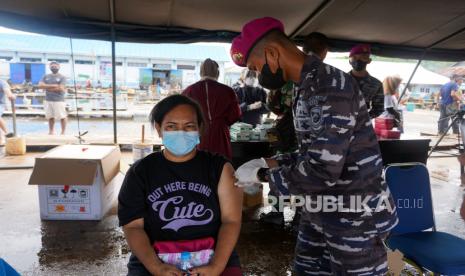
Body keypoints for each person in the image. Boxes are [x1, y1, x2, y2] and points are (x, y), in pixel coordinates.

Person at [231, 17, 398, 275]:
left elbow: (322, 170)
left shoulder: (330, 86)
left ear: (272, 53)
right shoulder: (303, 85)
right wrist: (268, 162)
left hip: (355, 218)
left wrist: (263, 176)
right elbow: (311, 152)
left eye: (255, 67)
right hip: (321, 209)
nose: (257, 74)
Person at [118, 95, 243, 276]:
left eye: (189, 126)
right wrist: (156, 267)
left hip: (213, 253)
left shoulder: (221, 168)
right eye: (171, 126)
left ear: (200, 129)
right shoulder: (140, 172)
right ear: (159, 129)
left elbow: (231, 221)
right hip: (154, 255)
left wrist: (216, 265)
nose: (181, 133)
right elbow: (133, 227)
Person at [260, 32, 330, 226]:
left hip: (283, 130)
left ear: (302, 49)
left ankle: (276, 212)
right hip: (308, 136)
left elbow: (271, 105)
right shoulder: (323, 77)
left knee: (280, 168)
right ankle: (301, 214)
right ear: (324, 52)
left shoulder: (286, 74)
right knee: (303, 170)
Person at [183, 58, 241, 159]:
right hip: (220, 134)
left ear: (201, 72)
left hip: (198, 133)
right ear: (217, 73)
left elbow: (182, 116)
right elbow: (235, 115)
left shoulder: (189, 91)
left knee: (198, 165)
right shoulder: (227, 91)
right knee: (221, 165)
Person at [349, 44, 385, 119]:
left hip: (361, 127)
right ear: (349, 60)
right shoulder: (339, 80)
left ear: (369, 61)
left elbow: (379, 108)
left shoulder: (376, 84)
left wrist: (363, 119)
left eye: (363, 57)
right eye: (354, 57)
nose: (358, 60)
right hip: (338, 124)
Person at [38, 61, 67, 135]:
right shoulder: (46, 76)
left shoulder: (62, 77)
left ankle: (63, 132)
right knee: (50, 116)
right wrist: (54, 86)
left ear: (59, 67)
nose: (54, 68)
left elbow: (61, 88)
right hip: (48, 99)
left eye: (55, 66)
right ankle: (51, 131)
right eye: (52, 66)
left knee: (62, 116)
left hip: (59, 100)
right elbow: (40, 85)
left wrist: (46, 87)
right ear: (50, 67)